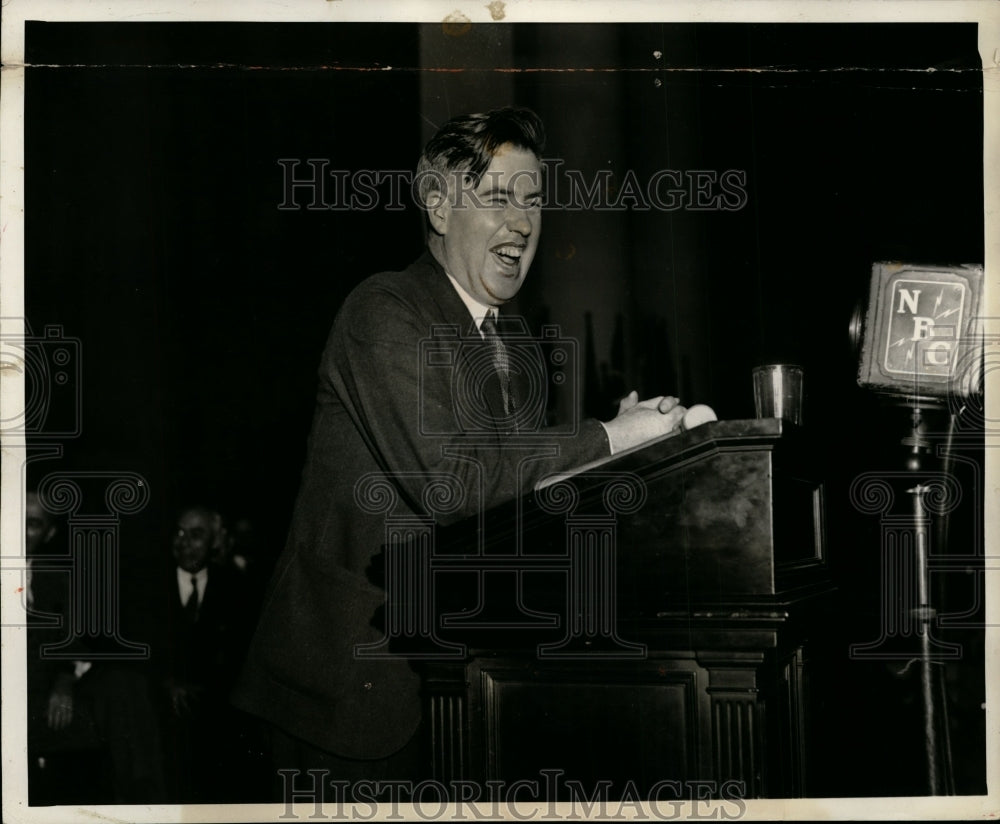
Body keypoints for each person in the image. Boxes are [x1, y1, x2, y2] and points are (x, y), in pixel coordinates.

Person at [232, 107, 686, 789]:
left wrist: (607, 457)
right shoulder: (382, 312)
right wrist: (609, 436)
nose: (525, 224)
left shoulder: (511, 343)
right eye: (500, 197)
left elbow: (514, 504)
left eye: (534, 201)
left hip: (456, 690)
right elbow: (460, 487)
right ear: (439, 206)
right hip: (349, 704)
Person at [155, 505, 255, 801]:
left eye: (196, 535)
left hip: (214, 708)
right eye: (179, 532)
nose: (183, 542)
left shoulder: (235, 587)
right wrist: (167, 681)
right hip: (160, 701)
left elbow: (239, 655)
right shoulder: (148, 585)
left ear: (215, 541)